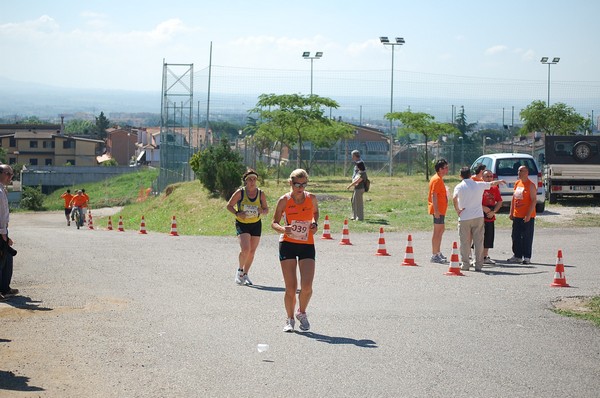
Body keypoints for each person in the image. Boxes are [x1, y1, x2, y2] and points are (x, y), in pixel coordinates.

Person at [271, 169, 319, 333]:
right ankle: (290, 318)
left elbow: (316, 213)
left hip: (306, 243)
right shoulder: (284, 200)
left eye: (304, 184)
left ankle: (301, 313)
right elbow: (274, 223)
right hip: (288, 244)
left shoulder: (311, 198)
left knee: (307, 287)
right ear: (290, 183)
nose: (300, 187)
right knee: (291, 287)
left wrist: (314, 224)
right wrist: (284, 229)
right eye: (297, 184)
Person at [453, 167, 505, 272]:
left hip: (465, 217)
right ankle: (478, 264)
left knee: (465, 242)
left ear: (461, 176)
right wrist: (500, 181)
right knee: (479, 241)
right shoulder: (478, 184)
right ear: (470, 174)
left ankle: (465, 264)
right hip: (478, 216)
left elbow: (454, 198)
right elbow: (492, 183)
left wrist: (458, 209)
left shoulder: (459, 186)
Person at [225, 169, 269, 286]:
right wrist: (237, 213)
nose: (252, 181)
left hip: (256, 224)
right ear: (245, 181)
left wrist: (262, 211)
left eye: (254, 179)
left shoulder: (261, 193)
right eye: (250, 179)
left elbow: (266, 209)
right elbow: (229, 206)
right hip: (242, 223)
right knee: (245, 249)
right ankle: (239, 270)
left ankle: (245, 274)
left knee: (252, 251)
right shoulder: (240, 193)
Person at [507, 165, 537, 265]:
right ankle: (517, 256)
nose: (519, 173)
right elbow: (514, 198)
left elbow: (533, 201)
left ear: (527, 172)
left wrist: (528, 215)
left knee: (527, 237)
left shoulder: (531, 185)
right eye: (519, 171)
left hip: (527, 216)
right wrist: (511, 212)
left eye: (522, 171)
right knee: (515, 236)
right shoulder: (517, 183)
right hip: (517, 215)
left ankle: (527, 257)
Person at [0, 164, 18, 301]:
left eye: (12, 174)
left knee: (7, 259)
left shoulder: (2, 190)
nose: (10, 177)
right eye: (8, 174)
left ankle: (5, 288)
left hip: (3, 229)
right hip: (0, 230)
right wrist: (3, 234)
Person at [428, 159, 450, 264]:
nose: (447, 169)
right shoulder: (436, 179)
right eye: (445, 168)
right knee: (437, 232)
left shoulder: (439, 178)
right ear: (440, 169)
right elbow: (434, 195)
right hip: (438, 210)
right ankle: (434, 254)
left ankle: (438, 252)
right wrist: (436, 210)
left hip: (441, 210)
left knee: (441, 230)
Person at [481, 170, 503, 264]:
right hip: (479, 215)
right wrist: (483, 208)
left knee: (489, 236)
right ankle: (477, 256)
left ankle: (485, 256)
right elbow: (473, 201)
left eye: (490, 176)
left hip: (490, 214)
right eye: (487, 176)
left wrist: (494, 212)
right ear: (483, 178)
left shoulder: (494, 188)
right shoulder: (479, 187)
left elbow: (499, 201)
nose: (489, 178)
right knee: (479, 237)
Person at [346, 150, 367, 221]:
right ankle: (355, 216)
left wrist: (350, 185)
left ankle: (359, 217)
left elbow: (359, 179)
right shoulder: (358, 163)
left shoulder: (360, 163)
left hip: (359, 187)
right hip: (356, 187)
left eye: (352, 156)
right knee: (354, 201)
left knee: (358, 203)